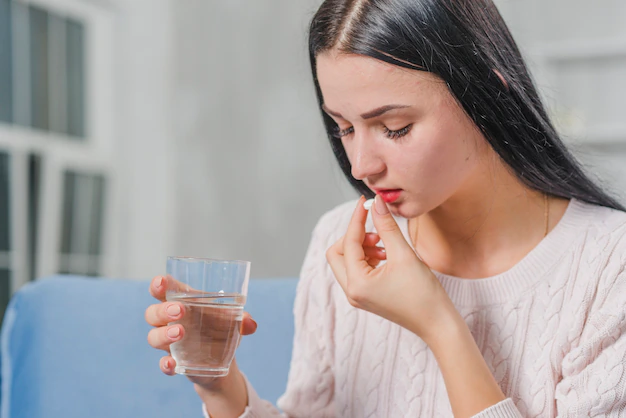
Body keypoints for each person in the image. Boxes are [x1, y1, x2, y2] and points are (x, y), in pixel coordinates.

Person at [145, 0, 626, 416]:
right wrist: (221, 385)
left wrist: (439, 324)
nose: (360, 166)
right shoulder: (339, 240)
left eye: (394, 127)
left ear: (489, 96)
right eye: (344, 128)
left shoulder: (609, 266)